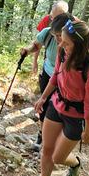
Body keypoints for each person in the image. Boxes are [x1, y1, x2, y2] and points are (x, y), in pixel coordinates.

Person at [25, 20, 89, 176]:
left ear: (80, 45)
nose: (61, 44)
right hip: (56, 105)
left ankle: (74, 163)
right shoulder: (63, 52)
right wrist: (43, 98)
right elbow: (55, 77)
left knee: (58, 158)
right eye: (61, 40)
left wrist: (88, 129)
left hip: (75, 116)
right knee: (47, 148)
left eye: (66, 42)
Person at [21, 13, 73, 151]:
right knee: (44, 109)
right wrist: (27, 51)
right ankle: (42, 136)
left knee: (55, 109)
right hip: (49, 74)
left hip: (64, 83)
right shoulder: (47, 33)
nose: (57, 39)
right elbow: (36, 46)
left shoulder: (76, 44)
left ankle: (53, 139)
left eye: (59, 35)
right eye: (55, 35)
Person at [32, 1, 69, 74]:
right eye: (52, 17)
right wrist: (35, 61)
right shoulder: (47, 20)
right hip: (48, 63)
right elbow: (38, 42)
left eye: (56, 18)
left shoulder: (73, 25)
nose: (53, 21)